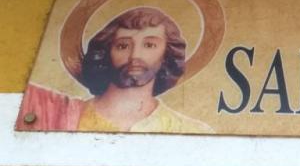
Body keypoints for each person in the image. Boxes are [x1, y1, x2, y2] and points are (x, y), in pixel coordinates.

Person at [18, 7, 212, 133]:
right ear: (105, 52)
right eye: (123, 46)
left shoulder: (191, 130)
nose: (135, 55)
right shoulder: (56, 112)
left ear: (167, 55)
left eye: (149, 45)